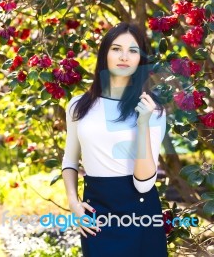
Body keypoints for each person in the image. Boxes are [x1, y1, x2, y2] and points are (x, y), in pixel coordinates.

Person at [61, 22, 168, 257]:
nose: (124, 57)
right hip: (96, 212)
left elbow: (144, 184)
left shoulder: (153, 111)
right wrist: (73, 202)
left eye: (133, 51)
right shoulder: (79, 106)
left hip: (141, 214)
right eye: (116, 48)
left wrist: (142, 123)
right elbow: (70, 160)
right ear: (104, 54)